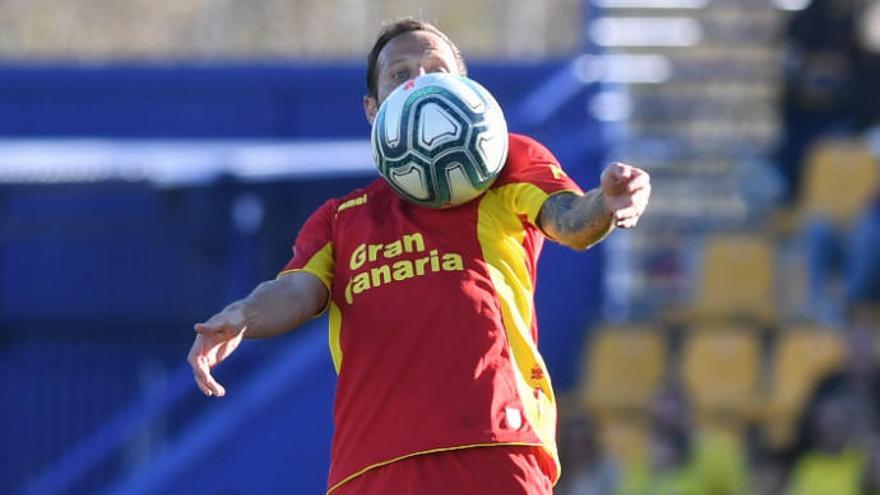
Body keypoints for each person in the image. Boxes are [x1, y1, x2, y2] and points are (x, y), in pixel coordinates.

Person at [186, 18, 651, 495]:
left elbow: (570, 221)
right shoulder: (341, 219)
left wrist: (606, 203)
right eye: (400, 72)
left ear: (465, 88)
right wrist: (245, 313)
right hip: (369, 468)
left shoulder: (508, 165)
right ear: (373, 109)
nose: (420, 80)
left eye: (435, 68)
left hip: (494, 446)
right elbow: (295, 290)